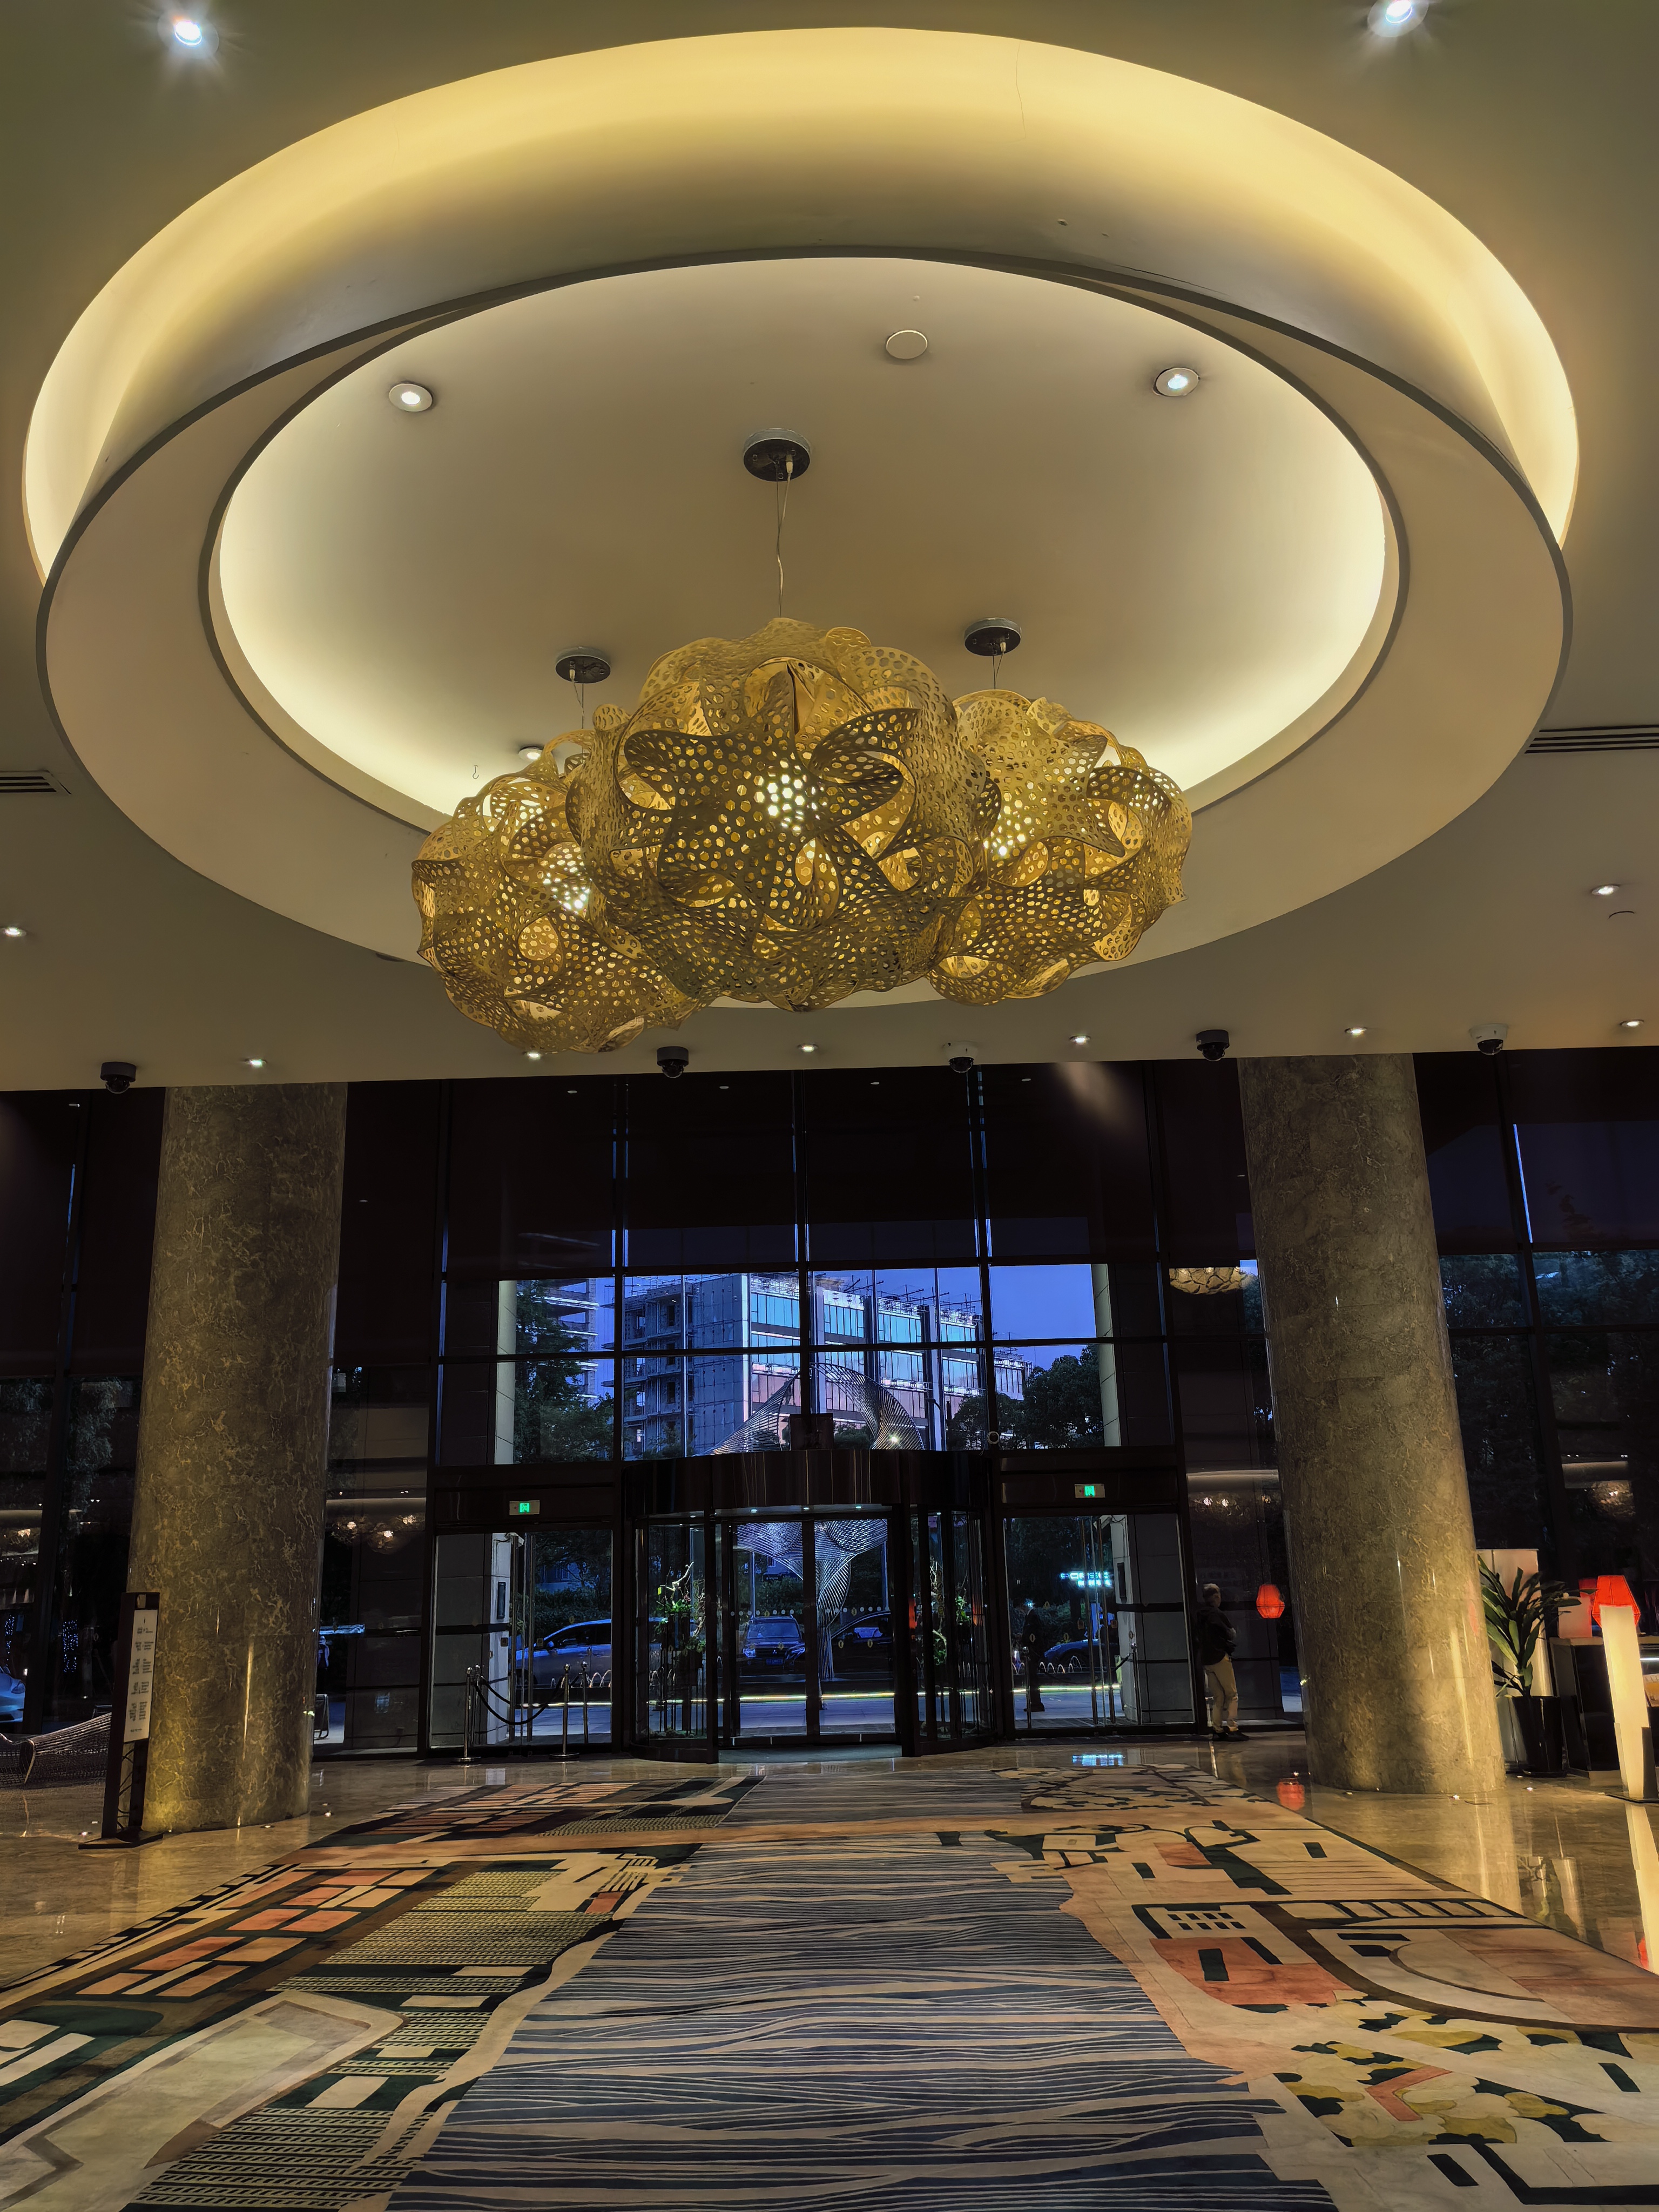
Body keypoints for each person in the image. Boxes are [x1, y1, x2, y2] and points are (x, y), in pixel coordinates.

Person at [1193, 1582, 1245, 1740]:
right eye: (1219, 1596)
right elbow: (1231, 1633)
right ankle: (1233, 1727)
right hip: (1220, 1658)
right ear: (1216, 1597)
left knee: (1218, 1697)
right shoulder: (1217, 1615)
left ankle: (1217, 1729)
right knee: (1232, 1694)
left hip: (1207, 1660)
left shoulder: (1199, 1615)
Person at [1019, 1602, 1049, 1716]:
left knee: (1033, 1680)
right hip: (1033, 1653)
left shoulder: (1033, 1617)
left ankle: (1036, 1703)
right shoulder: (1031, 1617)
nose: (1020, 1612)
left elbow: (1035, 1635)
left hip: (1033, 1653)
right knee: (1031, 1679)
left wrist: (1024, 1638)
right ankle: (1034, 1703)